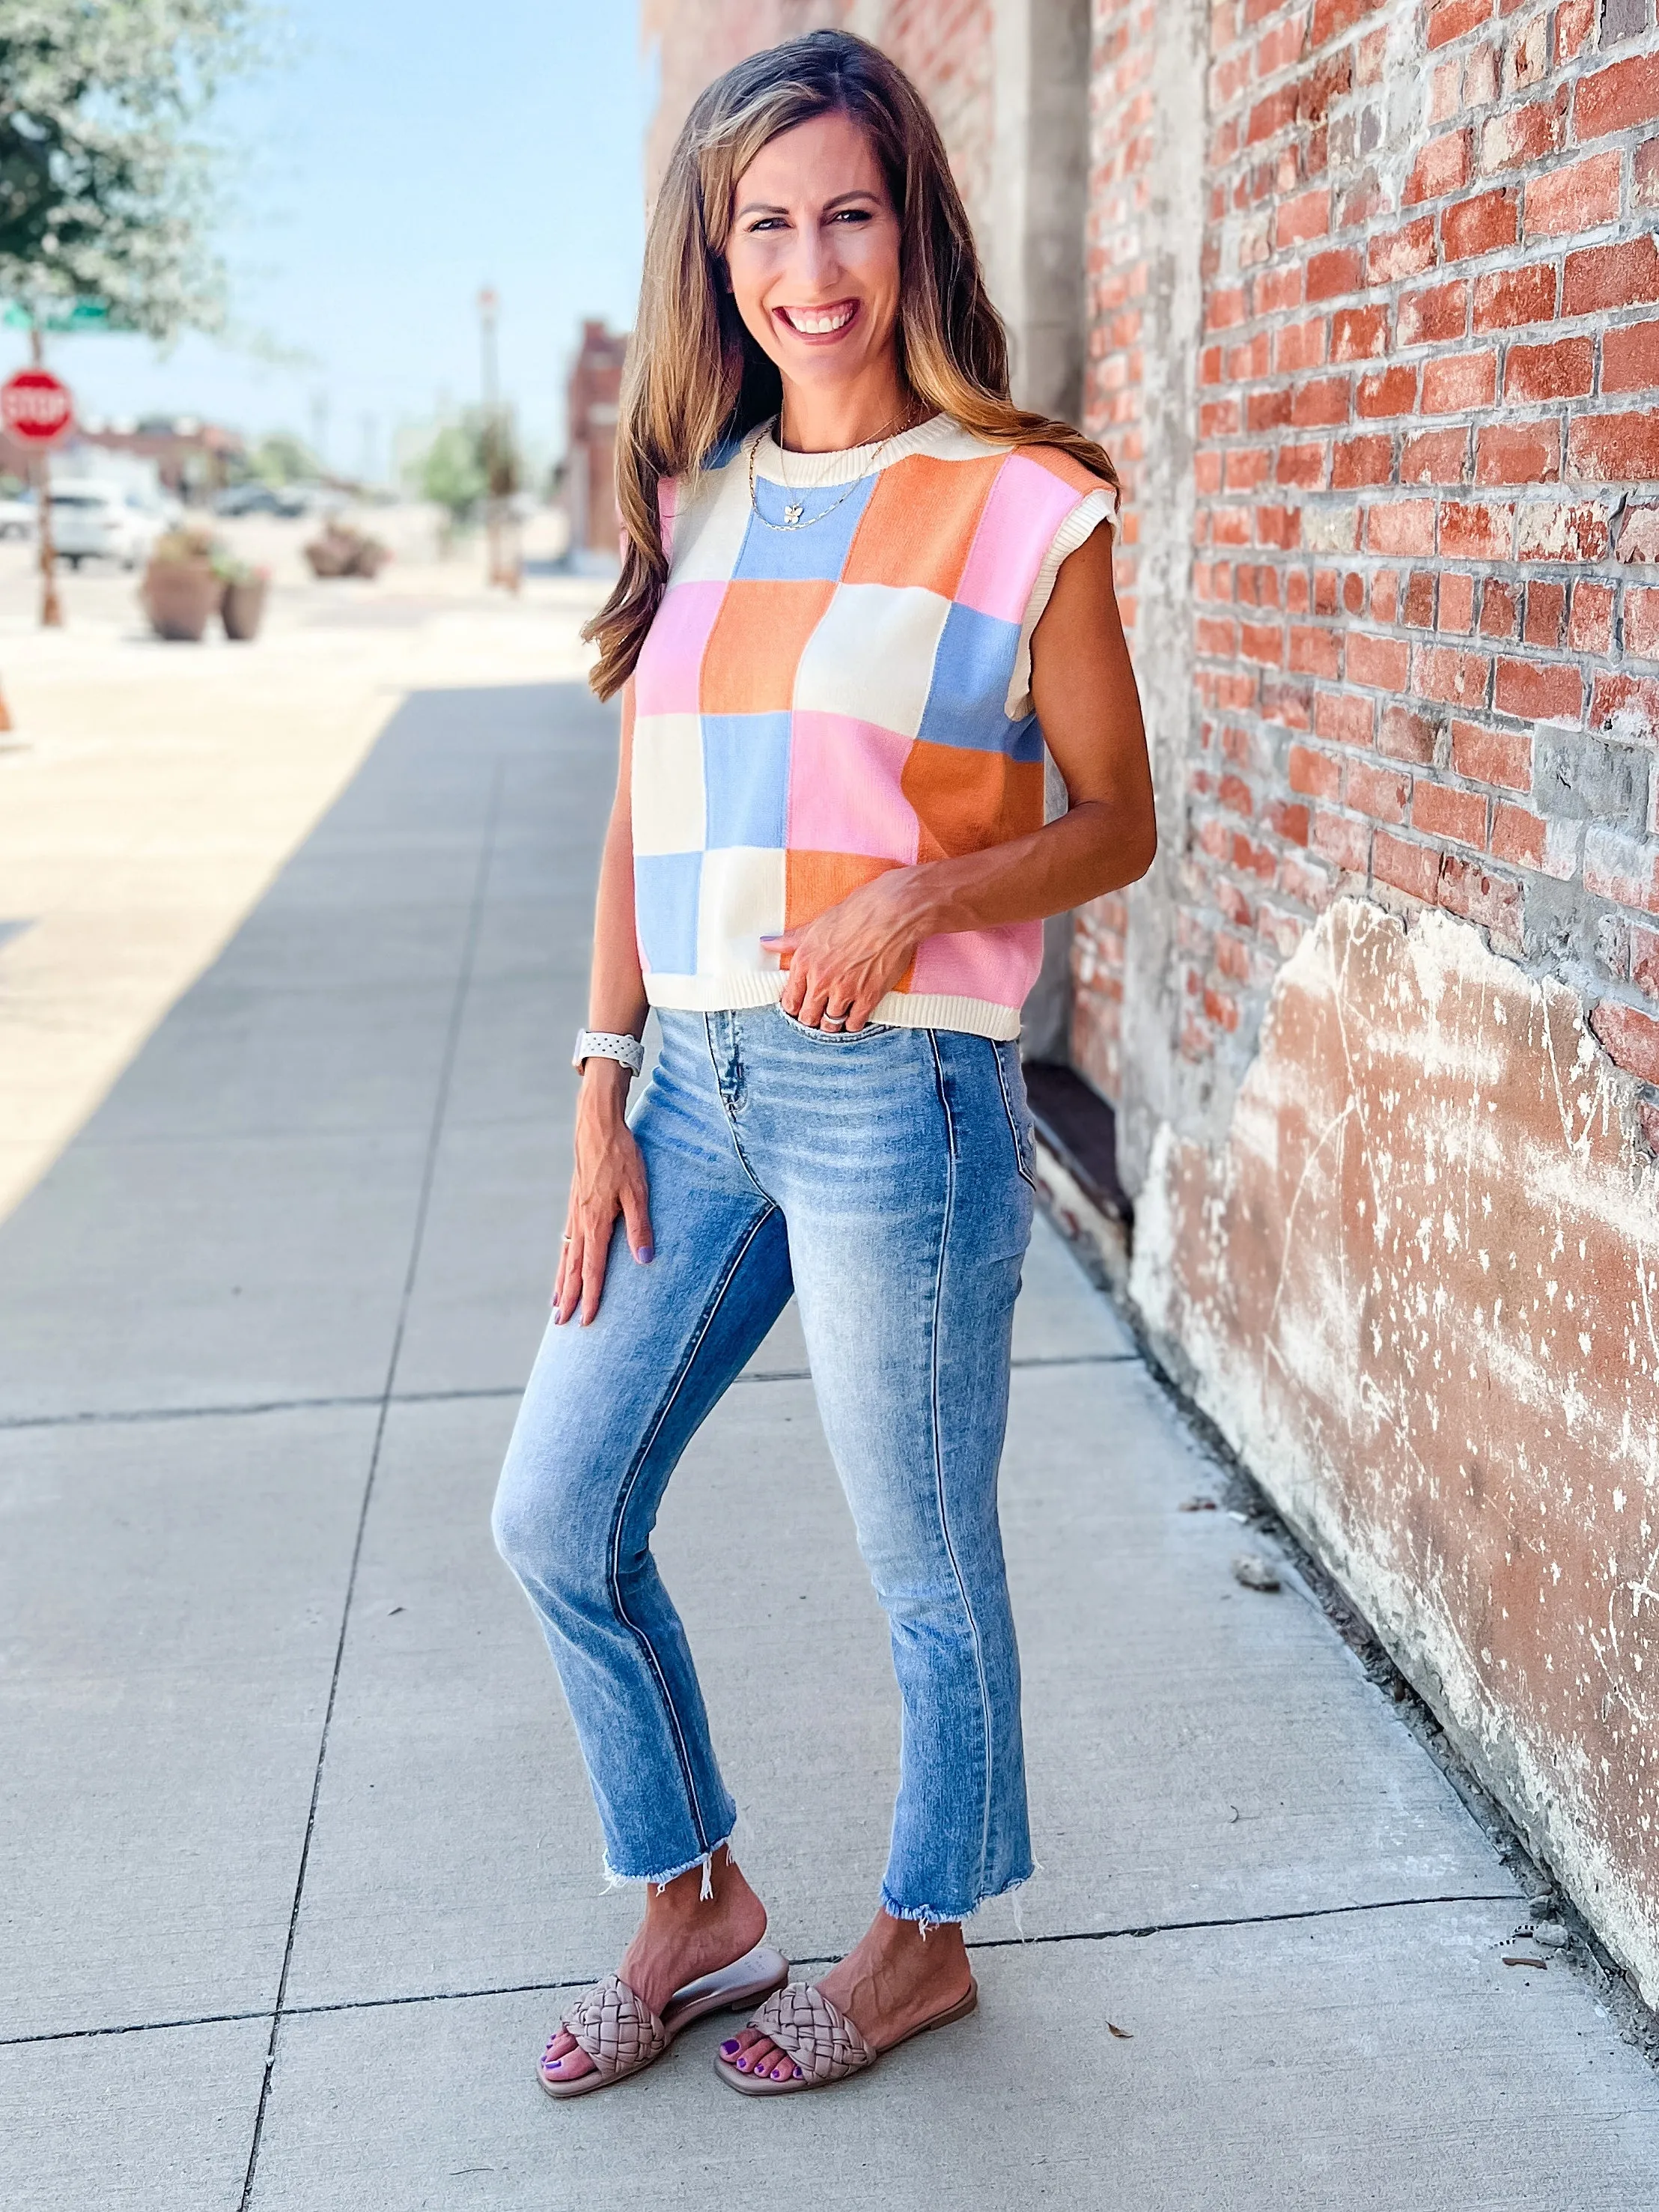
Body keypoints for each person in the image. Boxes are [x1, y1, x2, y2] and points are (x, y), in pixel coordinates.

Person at [491, 28, 1154, 2100]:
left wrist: (908, 902)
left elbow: (1121, 816)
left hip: (904, 1100)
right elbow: (637, 814)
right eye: (766, 223)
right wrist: (601, 1088)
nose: (813, 262)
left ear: (911, 224)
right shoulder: (691, 501)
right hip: (693, 1084)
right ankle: (696, 1895)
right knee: (555, 1510)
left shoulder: (1023, 502)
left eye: (848, 211)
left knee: (920, 1555)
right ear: (719, 254)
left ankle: (924, 1937)